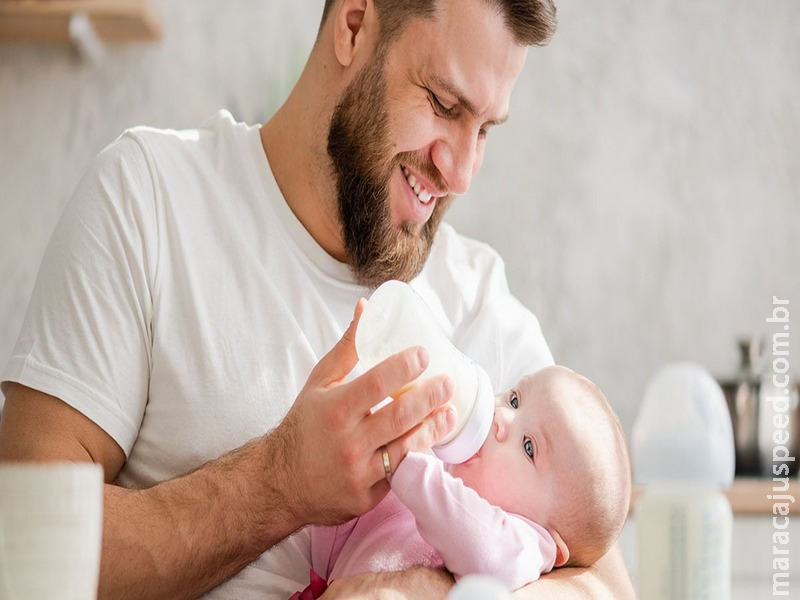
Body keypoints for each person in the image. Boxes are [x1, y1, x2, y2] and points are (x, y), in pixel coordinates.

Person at [0, 0, 635, 598]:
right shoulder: (149, 200)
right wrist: (279, 484)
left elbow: (602, 583)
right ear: (354, 26)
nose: (462, 172)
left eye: (486, 130)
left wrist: (413, 587)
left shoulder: (479, 297)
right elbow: (18, 547)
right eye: (444, 105)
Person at [292, 365, 631, 597]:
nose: (502, 416)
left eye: (529, 447)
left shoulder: (524, 547)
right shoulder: (429, 474)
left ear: (552, 545)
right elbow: (334, 533)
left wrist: (403, 459)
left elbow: (485, 551)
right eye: (515, 399)